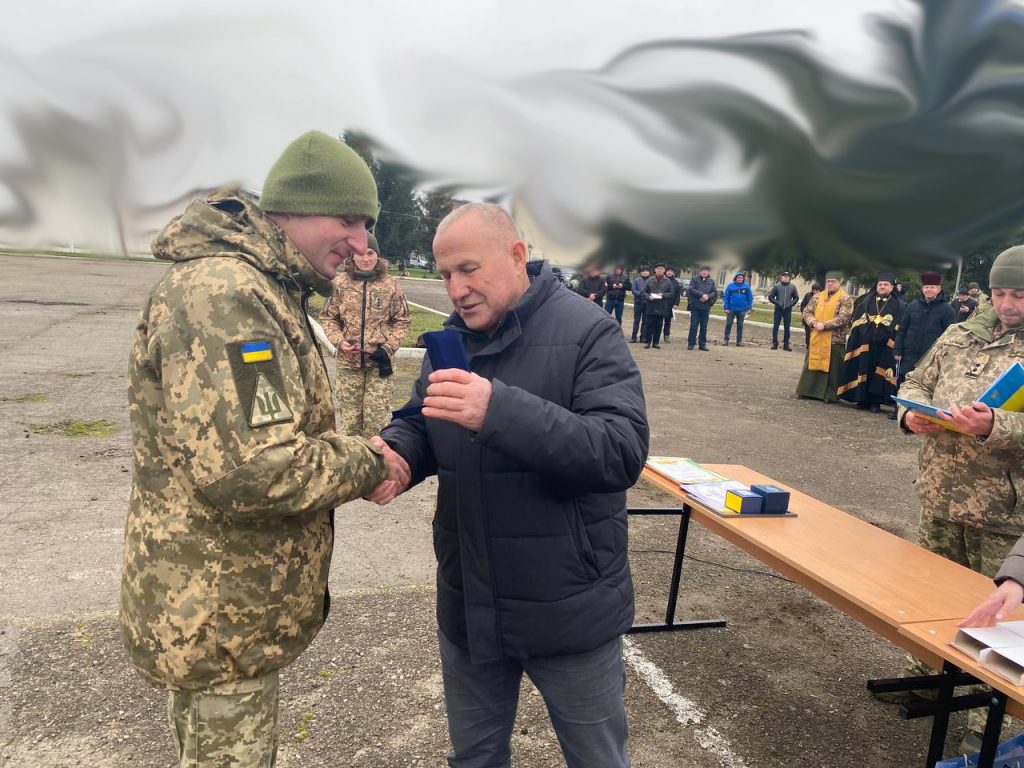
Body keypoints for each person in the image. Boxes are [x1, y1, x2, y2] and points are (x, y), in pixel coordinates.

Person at [121, 130, 409, 767]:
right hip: (217, 611)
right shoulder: (227, 294)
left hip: (225, 607)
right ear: (299, 208)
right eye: (349, 219)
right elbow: (257, 470)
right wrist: (368, 462)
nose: (361, 242)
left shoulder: (258, 285)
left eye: (367, 224)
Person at [375, 202, 648, 768]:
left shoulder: (588, 331)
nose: (456, 289)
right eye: (446, 274)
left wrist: (497, 411)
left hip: (568, 608)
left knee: (598, 759)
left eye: (468, 269)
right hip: (471, 605)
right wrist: (398, 454)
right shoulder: (451, 341)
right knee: (474, 758)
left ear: (517, 255)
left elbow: (619, 451)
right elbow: (421, 419)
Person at [894, 246, 1024, 752]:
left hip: (1004, 513)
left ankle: (991, 720)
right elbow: (915, 380)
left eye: (1019, 295)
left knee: (1002, 618)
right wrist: (911, 415)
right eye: (1000, 292)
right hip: (941, 496)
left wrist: (996, 425)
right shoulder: (959, 333)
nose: (1007, 304)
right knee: (932, 597)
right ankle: (928, 676)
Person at [320, 233, 411, 438]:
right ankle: (353, 459)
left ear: (378, 255)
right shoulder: (340, 283)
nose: (366, 258)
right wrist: (339, 341)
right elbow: (328, 317)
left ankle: (377, 458)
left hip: (379, 364)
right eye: (360, 253)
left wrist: (388, 347)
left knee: (376, 423)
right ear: (352, 256)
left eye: (370, 253)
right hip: (348, 364)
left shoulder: (390, 285)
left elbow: (402, 320)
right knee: (350, 423)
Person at [837, 272, 904, 413]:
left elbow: (900, 325)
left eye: (886, 284)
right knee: (864, 369)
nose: (883, 287)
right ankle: (862, 399)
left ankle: (875, 402)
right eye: (880, 284)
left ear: (892, 287)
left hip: (885, 346)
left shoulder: (899, 305)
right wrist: (865, 332)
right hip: (866, 343)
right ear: (877, 286)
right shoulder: (866, 302)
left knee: (879, 374)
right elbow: (857, 321)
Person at [796, 272, 854, 403]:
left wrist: (825, 325)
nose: (830, 284)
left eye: (833, 281)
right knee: (812, 364)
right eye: (828, 281)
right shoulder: (817, 296)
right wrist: (813, 323)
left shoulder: (845, 299)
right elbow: (807, 311)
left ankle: (829, 394)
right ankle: (808, 390)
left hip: (834, 339)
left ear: (840, 282)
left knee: (833, 369)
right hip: (817, 336)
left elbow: (843, 318)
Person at [893, 271, 956, 386]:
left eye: (932, 287)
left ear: (938, 289)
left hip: (930, 359)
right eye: (926, 287)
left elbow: (950, 336)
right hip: (908, 357)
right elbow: (902, 330)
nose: (929, 290)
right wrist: (897, 350)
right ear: (922, 289)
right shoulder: (912, 306)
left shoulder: (947, 310)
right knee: (903, 386)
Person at [643, 263, 676, 349]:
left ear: (664, 270)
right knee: (649, 325)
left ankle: (656, 343)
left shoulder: (668, 281)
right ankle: (647, 342)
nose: (659, 270)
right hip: (651, 306)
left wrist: (663, 295)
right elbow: (643, 291)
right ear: (655, 270)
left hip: (662, 307)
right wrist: (648, 297)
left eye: (661, 268)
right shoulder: (649, 280)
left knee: (659, 325)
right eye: (658, 268)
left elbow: (672, 293)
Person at [687, 265, 718, 351]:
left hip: (706, 307)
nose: (705, 272)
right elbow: (691, 289)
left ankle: (702, 344)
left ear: (708, 272)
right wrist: (702, 294)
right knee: (694, 326)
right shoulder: (694, 279)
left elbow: (714, 293)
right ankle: (691, 343)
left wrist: (708, 296)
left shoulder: (711, 281)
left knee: (704, 327)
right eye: (703, 270)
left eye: (706, 270)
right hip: (695, 306)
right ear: (700, 271)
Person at [768, 271, 800, 350]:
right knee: (776, 326)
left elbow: (796, 298)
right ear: (781, 277)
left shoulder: (792, 287)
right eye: (784, 276)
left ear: (789, 278)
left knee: (787, 327)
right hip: (778, 310)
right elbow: (771, 297)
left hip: (788, 310)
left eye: (787, 277)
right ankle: (775, 343)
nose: (786, 278)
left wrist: (791, 304)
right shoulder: (777, 286)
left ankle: (786, 345)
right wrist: (777, 303)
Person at [722, 271, 753, 347]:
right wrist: (726, 307)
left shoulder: (746, 287)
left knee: (740, 325)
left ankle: (739, 341)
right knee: (728, 324)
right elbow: (726, 297)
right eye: (738, 278)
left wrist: (749, 307)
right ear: (735, 278)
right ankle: (726, 340)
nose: (740, 279)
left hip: (742, 310)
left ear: (743, 279)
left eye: (741, 278)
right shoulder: (730, 286)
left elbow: (750, 297)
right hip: (731, 309)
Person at [629, 266, 651, 344]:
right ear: (641, 272)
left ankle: (643, 337)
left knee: (645, 322)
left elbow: (652, 291)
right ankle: (633, 337)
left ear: (649, 272)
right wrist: (640, 294)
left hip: (647, 304)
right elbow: (633, 290)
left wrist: (646, 295)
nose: (645, 272)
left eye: (646, 271)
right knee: (636, 321)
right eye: (643, 271)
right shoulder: (636, 280)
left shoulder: (651, 281)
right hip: (638, 303)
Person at [662, 266, 683, 342]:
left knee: (668, 322)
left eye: (671, 271)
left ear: (673, 272)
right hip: (661, 303)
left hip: (670, 304)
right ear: (665, 272)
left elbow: (677, 294)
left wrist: (676, 304)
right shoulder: (662, 280)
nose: (670, 272)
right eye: (668, 271)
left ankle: (666, 335)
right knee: (658, 321)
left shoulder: (675, 282)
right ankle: (655, 335)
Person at [800, 282, 822, 348]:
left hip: (817, 319)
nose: (815, 292)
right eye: (814, 290)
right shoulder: (808, 295)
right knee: (808, 334)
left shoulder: (822, 296)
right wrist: (804, 313)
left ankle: (815, 347)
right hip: (808, 318)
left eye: (817, 290)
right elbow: (803, 305)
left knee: (816, 335)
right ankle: (808, 346)